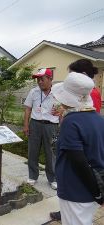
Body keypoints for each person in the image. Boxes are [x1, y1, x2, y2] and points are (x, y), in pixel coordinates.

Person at [50, 59, 101, 221]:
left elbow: (78, 161)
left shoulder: (71, 122)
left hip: (75, 190)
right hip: (91, 189)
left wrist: (97, 193)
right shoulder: (98, 119)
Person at [23, 68, 59, 190]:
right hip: (35, 124)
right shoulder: (33, 92)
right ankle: (33, 176)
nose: (39, 82)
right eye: (38, 79)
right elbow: (27, 108)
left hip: (51, 126)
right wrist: (26, 125)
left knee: (51, 153)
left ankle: (53, 178)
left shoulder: (58, 93)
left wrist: (61, 112)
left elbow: (65, 109)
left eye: (42, 79)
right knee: (33, 151)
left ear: (50, 79)